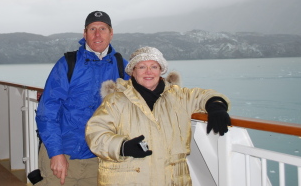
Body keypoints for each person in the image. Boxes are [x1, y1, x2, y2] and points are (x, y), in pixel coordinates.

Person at [85, 47, 231, 186]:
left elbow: (205, 96)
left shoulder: (178, 96)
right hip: (127, 179)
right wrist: (122, 147)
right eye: (142, 67)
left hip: (172, 180)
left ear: (160, 70)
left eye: (154, 67)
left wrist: (216, 107)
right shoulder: (115, 100)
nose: (148, 72)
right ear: (133, 71)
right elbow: (95, 133)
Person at [34, 11, 130, 186]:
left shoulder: (121, 66)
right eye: (92, 29)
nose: (97, 34)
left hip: (99, 157)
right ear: (85, 34)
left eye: (103, 28)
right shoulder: (67, 64)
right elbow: (47, 111)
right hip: (63, 152)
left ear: (111, 33)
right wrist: (56, 153)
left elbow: (143, 98)